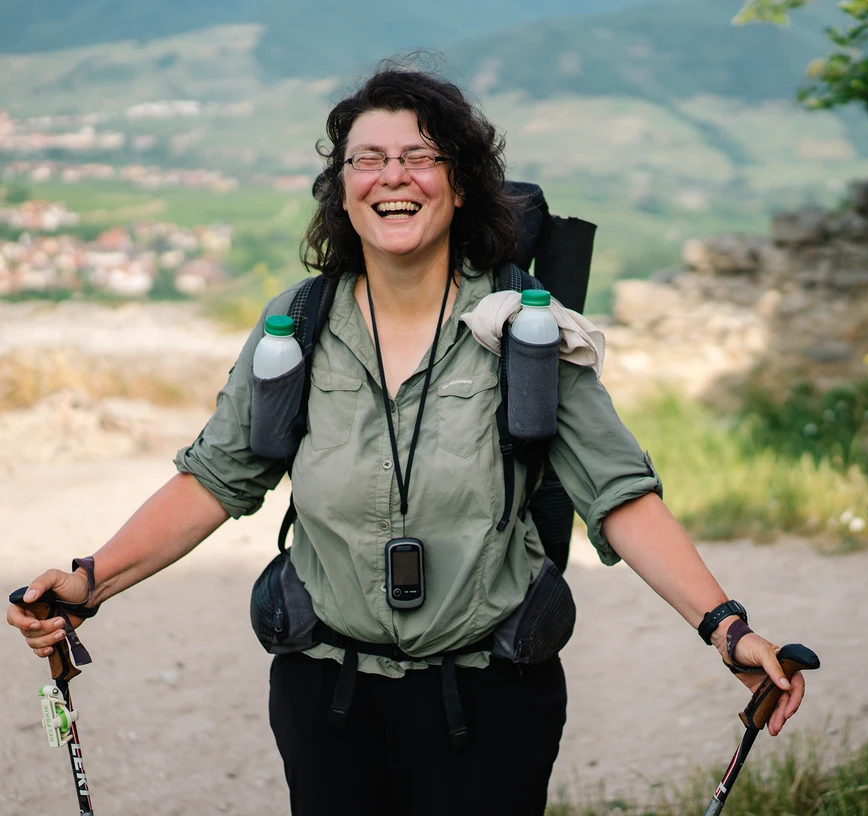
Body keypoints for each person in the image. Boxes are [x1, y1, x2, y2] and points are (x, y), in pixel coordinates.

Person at [7, 62, 806, 815]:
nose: (393, 177)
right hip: (327, 696)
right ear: (343, 189)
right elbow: (217, 477)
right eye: (368, 160)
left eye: (420, 157)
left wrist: (727, 629)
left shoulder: (522, 328)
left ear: (460, 185)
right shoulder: (299, 325)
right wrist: (89, 583)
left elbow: (619, 493)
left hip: (492, 696)